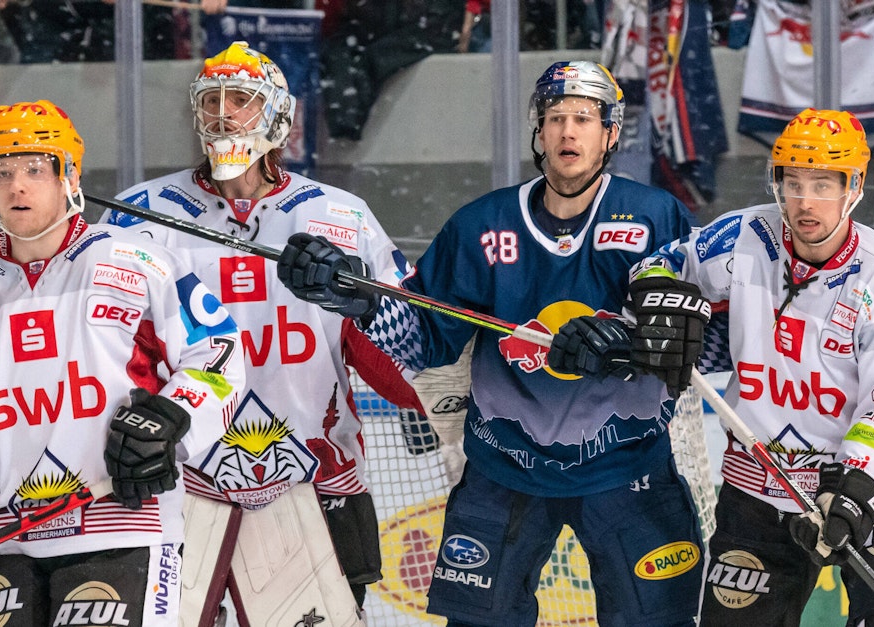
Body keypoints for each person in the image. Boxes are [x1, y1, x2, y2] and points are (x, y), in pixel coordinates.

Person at [281, 60, 703, 626]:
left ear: (610, 132)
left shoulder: (658, 218)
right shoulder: (481, 225)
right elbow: (423, 342)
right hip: (503, 471)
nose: (568, 132)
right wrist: (362, 301)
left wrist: (627, 343)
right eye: (555, 117)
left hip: (627, 468)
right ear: (538, 130)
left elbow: (692, 335)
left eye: (583, 118)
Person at [0, 100, 245, 627]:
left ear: (68, 176)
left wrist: (171, 421)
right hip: (7, 539)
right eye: (2, 172)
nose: (17, 187)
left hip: (123, 525)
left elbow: (219, 353)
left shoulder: (134, 259)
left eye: (35, 169)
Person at [102, 41, 416, 626]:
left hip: (313, 478)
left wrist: (365, 301)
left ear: (277, 116)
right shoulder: (136, 215)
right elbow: (100, 352)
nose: (222, 113)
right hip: (178, 485)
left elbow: (414, 349)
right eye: (210, 100)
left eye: (240, 100)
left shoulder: (341, 216)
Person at [625, 108, 874, 626]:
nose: (805, 201)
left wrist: (856, 491)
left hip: (868, 491)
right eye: (792, 182)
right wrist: (658, 296)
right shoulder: (742, 237)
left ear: (854, 187)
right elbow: (657, 266)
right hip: (757, 488)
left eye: (822, 184)